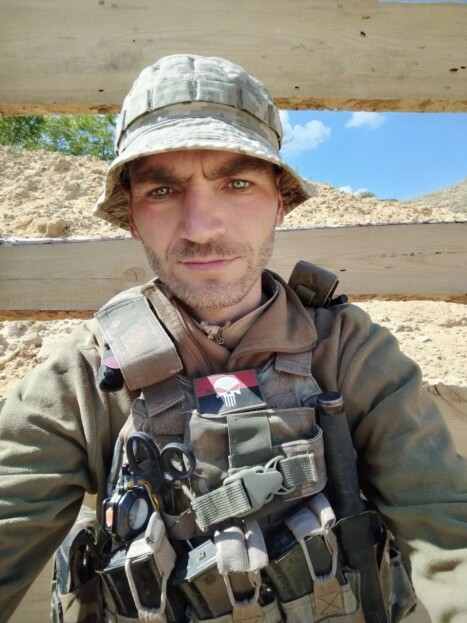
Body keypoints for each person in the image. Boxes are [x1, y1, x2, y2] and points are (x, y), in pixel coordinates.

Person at [0, 54, 466, 623]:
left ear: (280, 202)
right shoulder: (87, 374)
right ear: (132, 215)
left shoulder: (350, 351)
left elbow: (447, 530)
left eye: (237, 183)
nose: (201, 227)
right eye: (163, 191)